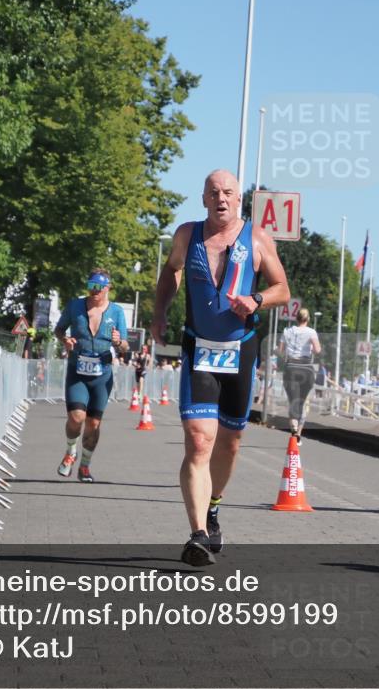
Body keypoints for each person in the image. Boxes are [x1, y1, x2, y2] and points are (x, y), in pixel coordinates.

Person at [152, 169, 290, 566]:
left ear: (238, 199)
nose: (221, 198)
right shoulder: (186, 235)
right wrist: (160, 313)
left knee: (230, 442)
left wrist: (257, 300)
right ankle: (196, 535)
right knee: (199, 440)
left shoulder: (258, 238)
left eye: (228, 192)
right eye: (214, 192)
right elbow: (171, 271)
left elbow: (283, 289)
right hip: (199, 347)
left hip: (240, 350)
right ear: (204, 199)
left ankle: (213, 506)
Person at [54, 269, 129, 483]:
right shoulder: (75, 306)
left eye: (98, 287)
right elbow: (59, 330)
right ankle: (70, 452)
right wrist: (65, 340)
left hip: (102, 375)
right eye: (91, 286)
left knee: (94, 424)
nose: (94, 291)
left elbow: (124, 347)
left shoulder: (116, 312)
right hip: (77, 371)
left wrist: (117, 341)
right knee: (76, 417)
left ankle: (85, 466)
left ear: (108, 288)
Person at [278, 308, 321, 443]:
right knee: (302, 403)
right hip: (306, 368)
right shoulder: (311, 332)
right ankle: (298, 436)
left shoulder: (287, 331)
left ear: (296, 318)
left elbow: (280, 351)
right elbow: (317, 350)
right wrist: (311, 348)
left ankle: (294, 430)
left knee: (293, 402)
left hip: (291, 367)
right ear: (308, 319)